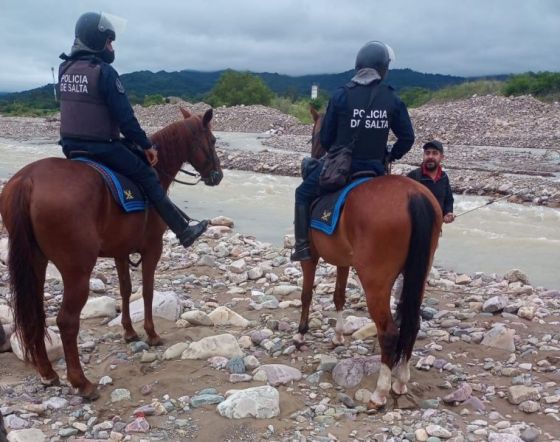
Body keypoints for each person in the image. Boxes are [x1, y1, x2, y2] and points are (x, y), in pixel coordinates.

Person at [58, 12, 207, 248]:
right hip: (101, 147)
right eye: (109, 40)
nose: (111, 46)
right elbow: (125, 120)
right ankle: (182, 230)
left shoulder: (64, 69)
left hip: (70, 147)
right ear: (95, 41)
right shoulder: (104, 72)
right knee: (147, 174)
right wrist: (146, 145)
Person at [291, 41, 415, 261]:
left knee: (301, 193)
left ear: (359, 66)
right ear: (382, 68)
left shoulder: (341, 95)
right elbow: (407, 138)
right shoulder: (392, 98)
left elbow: (327, 140)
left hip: (343, 171)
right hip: (376, 171)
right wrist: (390, 155)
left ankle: (302, 248)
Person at [407, 140, 455, 223]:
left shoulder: (444, 177)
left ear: (441, 157)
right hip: (416, 229)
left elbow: (449, 199)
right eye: (427, 153)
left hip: (436, 228)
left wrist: (448, 212)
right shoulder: (414, 176)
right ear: (423, 155)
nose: (430, 156)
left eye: (435, 153)